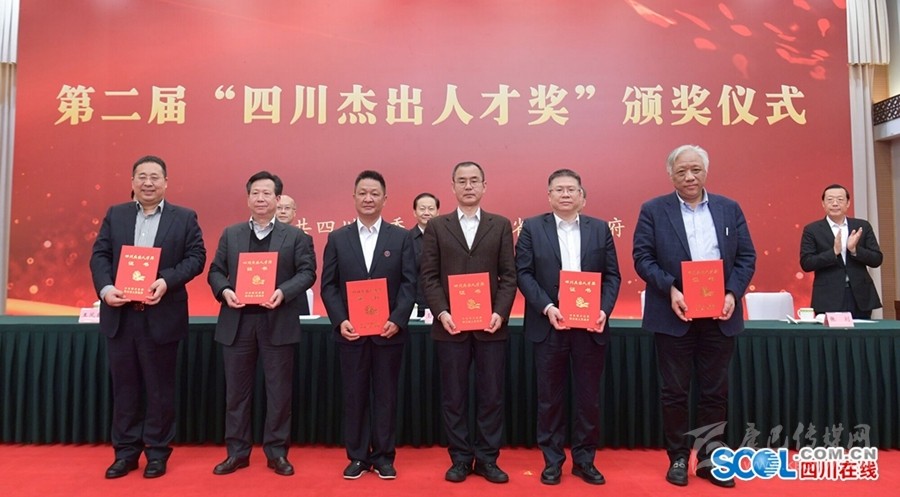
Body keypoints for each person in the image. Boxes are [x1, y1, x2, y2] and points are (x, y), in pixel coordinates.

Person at [632, 145, 756, 488]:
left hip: (719, 315)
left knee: (715, 392)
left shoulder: (729, 208)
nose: (689, 177)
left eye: (696, 170)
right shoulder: (653, 210)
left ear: (706, 172)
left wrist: (732, 293)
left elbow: (746, 257)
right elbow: (642, 258)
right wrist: (670, 289)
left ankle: (709, 459)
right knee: (674, 392)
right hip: (673, 313)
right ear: (670, 174)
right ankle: (677, 457)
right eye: (682, 171)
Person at [90, 155, 206, 479]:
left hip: (161, 315)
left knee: (159, 390)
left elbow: (196, 257)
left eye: (155, 176)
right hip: (121, 316)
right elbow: (100, 256)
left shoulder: (184, 217)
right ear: (132, 182)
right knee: (125, 389)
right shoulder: (116, 214)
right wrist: (106, 289)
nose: (148, 182)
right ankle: (125, 453)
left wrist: (166, 280)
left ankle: (157, 452)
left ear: (166, 182)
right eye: (142, 176)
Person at [514, 168, 621, 486]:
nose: (565, 194)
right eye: (558, 189)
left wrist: (603, 310)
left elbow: (612, 276)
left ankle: (585, 461)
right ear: (549, 196)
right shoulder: (532, 227)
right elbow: (523, 273)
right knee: (550, 399)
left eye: (571, 189)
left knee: (588, 398)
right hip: (549, 325)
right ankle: (552, 461)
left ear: (582, 196)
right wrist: (548, 308)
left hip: (590, 327)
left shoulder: (600, 229)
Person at [207, 171, 317, 477]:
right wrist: (225, 291)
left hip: (277, 320)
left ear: (278, 199)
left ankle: (277, 452)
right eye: (255, 193)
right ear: (248, 198)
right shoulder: (231, 234)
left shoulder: (295, 237)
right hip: (238, 322)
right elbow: (215, 271)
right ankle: (237, 453)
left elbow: (307, 272)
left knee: (279, 392)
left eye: (267, 193)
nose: (260, 198)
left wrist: (284, 292)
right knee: (236, 393)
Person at [420, 161, 517, 484]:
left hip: (491, 326)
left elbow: (509, 276)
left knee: (492, 395)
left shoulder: (500, 225)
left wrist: (500, 312)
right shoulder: (437, 226)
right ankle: (461, 458)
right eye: (462, 181)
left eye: (474, 180)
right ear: (452, 187)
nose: (468, 186)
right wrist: (442, 312)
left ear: (484, 186)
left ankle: (488, 459)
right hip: (451, 327)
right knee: (454, 396)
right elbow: (429, 276)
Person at [320, 170, 417, 480]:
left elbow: (409, 283)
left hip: (389, 333)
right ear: (354, 197)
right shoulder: (338, 238)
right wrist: (341, 320)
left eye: (374, 193)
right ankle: (358, 457)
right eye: (362, 192)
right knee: (354, 395)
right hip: (352, 333)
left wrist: (397, 319)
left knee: (386, 396)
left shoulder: (400, 237)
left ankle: (384, 456)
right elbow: (328, 286)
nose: (368, 198)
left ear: (385, 199)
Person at [799, 184, 883, 318]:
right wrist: (833, 252)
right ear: (823, 204)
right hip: (828, 297)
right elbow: (806, 263)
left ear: (848, 203)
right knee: (832, 332)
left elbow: (876, 259)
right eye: (830, 200)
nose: (835, 203)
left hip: (860, 297)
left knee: (861, 331)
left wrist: (855, 250)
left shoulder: (862, 226)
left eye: (840, 199)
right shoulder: (812, 230)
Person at [274, 193, 311, 315]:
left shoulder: (303, 238)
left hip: (295, 299)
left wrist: (285, 290)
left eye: (287, 208)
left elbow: (307, 272)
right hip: (264, 300)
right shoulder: (262, 237)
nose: (282, 211)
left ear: (294, 213)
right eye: (279, 208)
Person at [410, 192, 440, 317]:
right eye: (422, 209)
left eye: (431, 209)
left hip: (441, 304)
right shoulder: (406, 239)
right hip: (415, 305)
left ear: (437, 212)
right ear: (414, 212)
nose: (426, 213)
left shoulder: (446, 238)